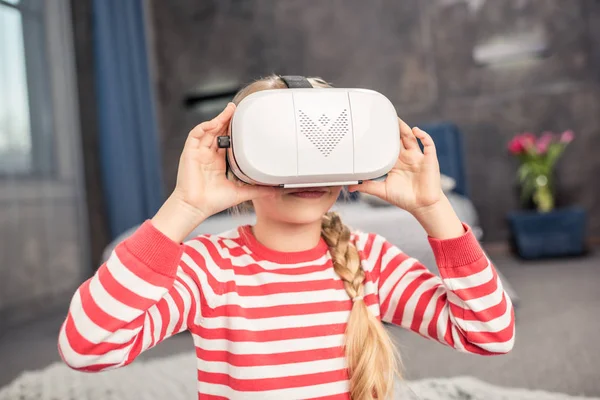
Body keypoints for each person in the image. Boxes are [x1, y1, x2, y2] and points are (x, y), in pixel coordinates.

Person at [58, 75, 515, 400]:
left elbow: (492, 334)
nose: (306, 166)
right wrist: (185, 207)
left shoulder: (370, 259)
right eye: (283, 143)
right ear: (235, 158)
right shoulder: (209, 268)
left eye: (326, 140)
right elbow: (86, 347)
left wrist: (433, 208)